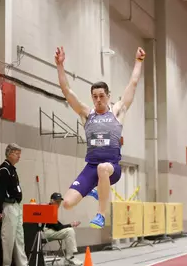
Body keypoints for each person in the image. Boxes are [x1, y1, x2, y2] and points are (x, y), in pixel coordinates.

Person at [54, 46, 145, 228]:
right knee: (67, 203)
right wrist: (60, 66)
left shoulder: (117, 111)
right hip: (91, 167)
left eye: (102, 96)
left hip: (112, 168)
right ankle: (93, 188)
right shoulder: (87, 114)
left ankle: (101, 215)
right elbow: (66, 90)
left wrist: (138, 62)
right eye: (94, 96)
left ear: (109, 96)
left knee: (103, 168)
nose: (98, 100)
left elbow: (133, 84)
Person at [0, 143, 36, 266]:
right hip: (8, 206)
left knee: (19, 237)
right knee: (8, 237)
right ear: (10, 153)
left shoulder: (12, 169)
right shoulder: (4, 170)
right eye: (17, 154)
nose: (19, 157)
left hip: (17, 206)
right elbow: (0, 192)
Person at [44, 192, 83, 266]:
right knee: (69, 231)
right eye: (57, 202)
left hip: (49, 231)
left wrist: (70, 225)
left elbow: (57, 225)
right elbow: (58, 227)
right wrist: (70, 225)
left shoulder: (52, 209)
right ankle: (69, 258)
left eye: (59, 202)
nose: (58, 204)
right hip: (44, 232)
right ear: (52, 201)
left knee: (69, 230)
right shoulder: (49, 209)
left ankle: (69, 257)